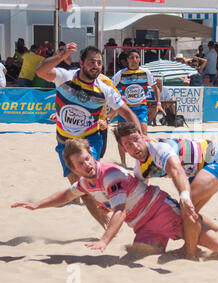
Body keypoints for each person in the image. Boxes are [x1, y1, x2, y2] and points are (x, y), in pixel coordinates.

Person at [11, 139, 218, 259]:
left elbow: (120, 211)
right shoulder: (85, 182)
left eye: (88, 159)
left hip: (163, 213)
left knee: (213, 243)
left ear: (93, 156)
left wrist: (104, 240)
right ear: (74, 168)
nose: (87, 165)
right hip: (144, 225)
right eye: (81, 164)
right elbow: (65, 194)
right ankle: (212, 233)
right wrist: (37, 205)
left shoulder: (111, 174)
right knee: (141, 251)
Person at [35, 43, 142, 230]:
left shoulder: (105, 88)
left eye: (99, 63)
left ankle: (114, 219)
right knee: (81, 189)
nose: (96, 66)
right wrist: (61, 55)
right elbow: (40, 71)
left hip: (89, 140)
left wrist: (138, 137)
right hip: (64, 142)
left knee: (87, 181)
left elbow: (127, 112)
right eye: (92, 62)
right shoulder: (65, 77)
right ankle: (105, 222)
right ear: (82, 63)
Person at [113, 122, 218, 258]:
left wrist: (184, 195)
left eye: (136, 139)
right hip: (197, 170)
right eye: (128, 144)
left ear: (143, 137)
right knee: (188, 211)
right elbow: (138, 194)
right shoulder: (140, 170)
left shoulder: (158, 149)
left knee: (186, 209)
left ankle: (190, 253)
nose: (135, 146)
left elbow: (177, 171)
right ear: (124, 149)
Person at [112, 49, 163, 165]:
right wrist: (115, 103)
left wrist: (158, 104)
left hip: (141, 109)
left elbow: (156, 89)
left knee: (143, 137)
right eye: (131, 57)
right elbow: (110, 87)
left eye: (137, 57)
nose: (134, 60)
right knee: (122, 138)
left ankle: (143, 163)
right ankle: (123, 163)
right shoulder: (121, 74)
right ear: (127, 60)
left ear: (140, 59)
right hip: (125, 110)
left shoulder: (146, 72)